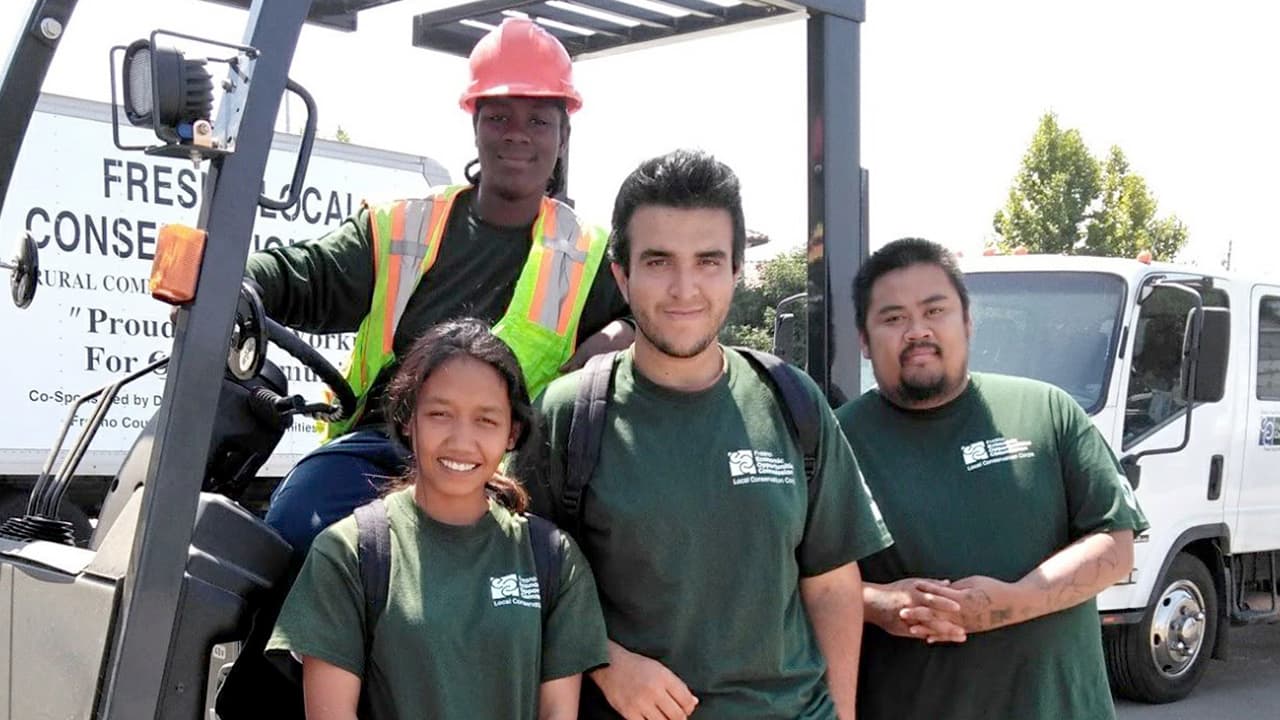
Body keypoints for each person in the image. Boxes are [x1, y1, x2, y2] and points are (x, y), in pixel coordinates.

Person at [515, 149, 892, 719]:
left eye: (709, 261)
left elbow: (833, 584)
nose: (684, 288)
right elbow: (517, 585)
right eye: (659, 261)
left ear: (737, 270)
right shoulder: (568, 415)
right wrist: (603, 660)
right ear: (622, 274)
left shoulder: (792, 402)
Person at [250, 17, 633, 559]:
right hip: (385, 448)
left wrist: (612, 338)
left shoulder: (591, 253)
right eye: (498, 116)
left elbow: (650, 322)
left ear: (562, 134)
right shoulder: (401, 228)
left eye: (538, 121)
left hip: (508, 467)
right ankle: (282, 648)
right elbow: (307, 275)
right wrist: (234, 281)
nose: (517, 134)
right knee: (296, 525)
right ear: (475, 125)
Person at [835, 237, 1150, 720]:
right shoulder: (834, 442)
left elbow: (1115, 547)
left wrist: (1012, 603)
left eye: (934, 310)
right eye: (893, 318)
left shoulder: (1047, 411)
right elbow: (792, 584)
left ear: (967, 321)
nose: (917, 331)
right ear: (863, 338)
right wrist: (878, 602)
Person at [266, 318, 609, 720]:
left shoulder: (553, 559)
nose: (461, 442)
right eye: (440, 414)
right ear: (409, 420)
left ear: (512, 433)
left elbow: (557, 713)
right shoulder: (350, 553)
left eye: (486, 420)